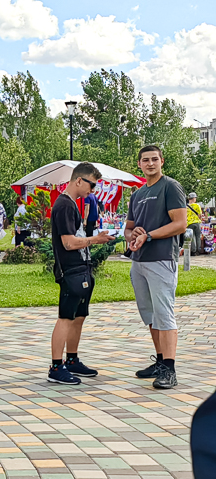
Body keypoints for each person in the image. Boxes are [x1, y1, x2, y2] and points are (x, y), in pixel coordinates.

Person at [125, 145, 188, 390]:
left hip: (161, 259)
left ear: (162, 161)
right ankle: (160, 360)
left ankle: (169, 370)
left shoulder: (170, 187)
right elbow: (129, 228)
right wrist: (134, 233)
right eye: (145, 160)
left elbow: (180, 224)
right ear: (139, 164)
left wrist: (149, 235)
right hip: (139, 261)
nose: (150, 163)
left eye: (154, 159)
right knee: (150, 315)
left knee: (164, 314)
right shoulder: (138, 194)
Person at [47, 164, 116, 385]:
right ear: (79, 181)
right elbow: (68, 243)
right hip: (70, 269)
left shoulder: (72, 204)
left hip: (81, 268)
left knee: (79, 316)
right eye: (92, 185)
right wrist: (95, 239)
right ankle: (56, 367)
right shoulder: (64, 205)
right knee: (66, 317)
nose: (93, 191)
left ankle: (72, 360)